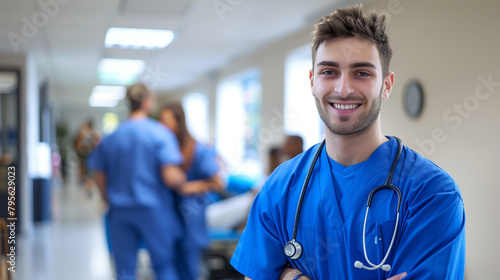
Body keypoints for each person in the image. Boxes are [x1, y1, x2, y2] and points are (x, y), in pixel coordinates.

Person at [230, 4, 465, 280]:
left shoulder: (431, 194)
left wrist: (289, 277)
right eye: (329, 72)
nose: (343, 89)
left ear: (386, 85)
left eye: (362, 73)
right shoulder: (280, 188)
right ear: (312, 82)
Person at [87, 84, 186, 280]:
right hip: (154, 211)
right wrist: (184, 177)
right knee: (163, 265)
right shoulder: (160, 133)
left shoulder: (112, 136)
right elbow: (170, 176)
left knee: (125, 269)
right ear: (148, 102)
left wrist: (109, 198)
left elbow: (99, 174)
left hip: (120, 210)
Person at [158, 102, 225, 280]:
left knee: (191, 269)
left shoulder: (198, 149)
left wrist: (187, 188)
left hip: (191, 218)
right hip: (168, 216)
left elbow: (218, 183)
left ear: (179, 122)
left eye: (166, 120)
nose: (161, 125)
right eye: (160, 120)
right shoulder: (163, 149)